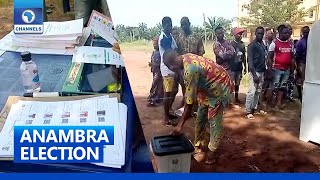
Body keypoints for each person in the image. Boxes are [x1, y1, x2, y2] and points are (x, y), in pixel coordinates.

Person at [163, 51, 233, 164]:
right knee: (200, 118)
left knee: (214, 121)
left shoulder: (190, 69)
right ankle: (198, 146)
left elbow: (189, 104)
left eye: (169, 67)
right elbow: (189, 96)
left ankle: (212, 151)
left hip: (219, 86)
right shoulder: (183, 58)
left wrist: (179, 126)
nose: (171, 69)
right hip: (205, 88)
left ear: (171, 65)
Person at [174, 17, 206, 115]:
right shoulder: (177, 38)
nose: (184, 26)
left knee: (196, 87)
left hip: (195, 67)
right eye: (182, 24)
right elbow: (175, 53)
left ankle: (195, 107)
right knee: (184, 86)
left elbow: (201, 53)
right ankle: (186, 105)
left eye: (185, 24)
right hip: (183, 67)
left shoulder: (197, 37)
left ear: (189, 23)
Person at [266, 25, 294, 109]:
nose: (287, 34)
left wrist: (292, 71)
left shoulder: (290, 44)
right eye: (285, 33)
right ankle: (268, 104)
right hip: (276, 69)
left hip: (286, 70)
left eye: (288, 33)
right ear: (280, 33)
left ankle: (278, 103)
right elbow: (269, 58)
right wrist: (270, 70)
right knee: (273, 87)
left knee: (282, 87)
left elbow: (292, 58)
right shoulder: (274, 43)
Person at [159, 16, 179, 126]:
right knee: (167, 93)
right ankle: (166, 117)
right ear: (163, 26)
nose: (170, 27)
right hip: (167, 68)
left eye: (171, 25)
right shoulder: (163, 38)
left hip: (172, 67)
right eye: (168, 25)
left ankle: (169, 111)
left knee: (174, 90)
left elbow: (175, 49)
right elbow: (169, 53)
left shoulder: (170, 36)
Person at [245, 27, 267, 119]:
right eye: (258, 33)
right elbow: (250, 61)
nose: (260, 35)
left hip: (261, 71)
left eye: (262, 34)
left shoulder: (262, 44)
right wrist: (254, 75)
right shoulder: (252, 46)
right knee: (252, 91)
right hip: (255, 72)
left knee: (258, 91)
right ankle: (248, 111)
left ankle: (254, 108)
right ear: (255, 34)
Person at [213, 26, 237, 108]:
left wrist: (226, 54)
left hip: (229, 68)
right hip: (220, 69)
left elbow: (233, 52)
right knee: (221, 87)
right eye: (219, 33)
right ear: (216, 34)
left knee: (230, 86)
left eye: (222, 32)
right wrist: (228, 53)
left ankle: (230, 103)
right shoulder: (216, 45)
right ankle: (221, 105)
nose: (221, 34)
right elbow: (222, 56)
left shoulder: (227, 42)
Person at [230, 28, 247, 104]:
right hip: (232, 68)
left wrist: (245, 67)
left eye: (241, 34)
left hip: (239, 67)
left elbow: (244, 56)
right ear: (235, 35)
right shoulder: (231, 44)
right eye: (239, 34)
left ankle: (236, 98)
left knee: (237, 84)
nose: (241, 35)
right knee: (231, 84)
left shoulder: (242, 44)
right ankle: (230, 100)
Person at [295, 26, 310, 103]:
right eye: (305, 32)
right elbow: (297, 55)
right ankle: (301, 96)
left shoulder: (312, 40)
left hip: (310, 63)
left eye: (307, 32)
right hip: (302, 62)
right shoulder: (300, 42)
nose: (306, 33)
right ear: (302, 33)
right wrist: (298, 66)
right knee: (301, 80)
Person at [147, 36, 163, 106]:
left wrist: (154, 64)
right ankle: (154, 99)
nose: (154, 45)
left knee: (156, 85)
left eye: (156, 43)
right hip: (155, 71)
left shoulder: (160, 53)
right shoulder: (154, 52)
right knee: (157, 85)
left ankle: (154, 99)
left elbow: (160, 63)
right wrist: (151, 64)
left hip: (159, 72)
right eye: (154, 44)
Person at [261, 28, 274, 101]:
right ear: (266, 35)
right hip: (263, 66)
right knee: (263, 82)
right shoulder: (263, 43)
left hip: (270, 65)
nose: (272, 34)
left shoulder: (273, 44)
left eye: (272, 33)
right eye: (270, 33)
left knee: (268, 82)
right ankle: (261, 97)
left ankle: (265, 96)